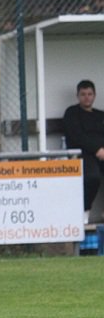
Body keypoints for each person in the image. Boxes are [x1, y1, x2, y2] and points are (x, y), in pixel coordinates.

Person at [62, 79, 104, 223]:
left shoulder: (100, 115)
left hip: (102, 154)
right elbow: (78, 136)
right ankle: (85, 210)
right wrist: (97, 149)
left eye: (90, 94)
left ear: (94, 95)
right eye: (83, 94)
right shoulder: (72, 113)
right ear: (78, 96)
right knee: (92, 176)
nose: (87, 97)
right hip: (82, 153)